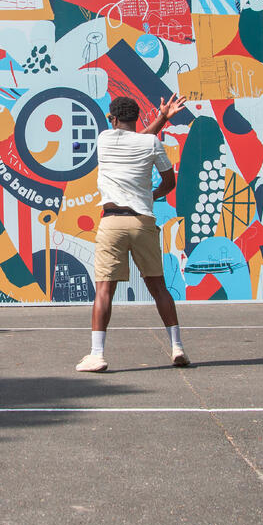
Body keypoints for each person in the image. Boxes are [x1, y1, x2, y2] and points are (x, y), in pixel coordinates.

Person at [76, 94, 189, 372]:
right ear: (135, 117)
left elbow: (133, 139)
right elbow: (168, 181)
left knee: (104, 290)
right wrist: (152, 195)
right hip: (142, 221)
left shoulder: (104, 138)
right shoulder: (151, 142)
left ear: (112, 119)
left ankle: (97, 355)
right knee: (158, 287)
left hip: (112, 221)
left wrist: (162, 119)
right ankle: (177, 348)